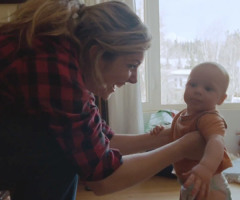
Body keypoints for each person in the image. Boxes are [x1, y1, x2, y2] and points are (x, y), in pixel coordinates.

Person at [0, 0, 206, 199]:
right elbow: (102, 178)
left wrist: (170, 136)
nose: (134, 79)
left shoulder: (68, 56)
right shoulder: (55, 67)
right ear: (97, 54)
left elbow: (100, 141)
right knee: (60, 151)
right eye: (131, 65)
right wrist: (182, 148)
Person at [151, 62, 233, 200]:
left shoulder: (209, 118)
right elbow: (177, 131)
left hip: (209, 182)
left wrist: (206, 168)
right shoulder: (183, 115)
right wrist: (161, 129)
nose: (198, 91)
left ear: (221, 99)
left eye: (208, 88)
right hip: (188, 180)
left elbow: (216, 141)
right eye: (193, 84)